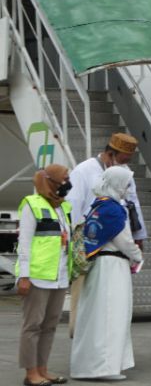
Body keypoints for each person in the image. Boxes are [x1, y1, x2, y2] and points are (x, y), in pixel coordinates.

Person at [71, 165, 143, 381]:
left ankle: (93, 365)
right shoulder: (113, 209)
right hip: (112, 267)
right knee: (111, 315)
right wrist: (138, 256)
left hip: (99, 266)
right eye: (127, 183)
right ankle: (103, 367)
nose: (129, 188)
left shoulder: (98, 205)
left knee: (96, 316)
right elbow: (124, 241)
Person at [16, 164, 73, 386]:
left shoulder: (63, 207)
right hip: (38, 276)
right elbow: (24, 243)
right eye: (65, 178)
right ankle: (31, 373)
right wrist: (24, 275)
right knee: (32, 326)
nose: (68, 182)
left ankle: (43, 369)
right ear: (51, 180)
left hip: (59, 275)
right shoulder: (32, 205)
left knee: (49, 326)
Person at [66, 132, 147, 248]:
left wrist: (139, 236)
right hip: (90, 238)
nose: (124, 165)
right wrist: (74, 241)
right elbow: (73, 205)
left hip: (118, 238)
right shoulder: (83, 171)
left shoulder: (124, 172)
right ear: (110, 154)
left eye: (127, 161)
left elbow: (134, 204)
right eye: (122, 160)